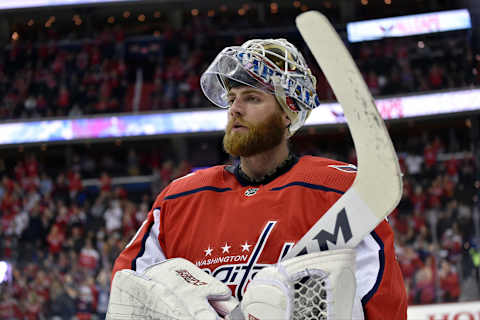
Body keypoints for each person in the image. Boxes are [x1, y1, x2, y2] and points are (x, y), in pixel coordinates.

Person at [109, 38, 407, 319]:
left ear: (287, 112)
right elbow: (128, 293)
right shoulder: (179, 199)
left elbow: (383, 305)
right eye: (232, 98)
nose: (235, 109)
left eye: (252, 98)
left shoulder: (339, 192)